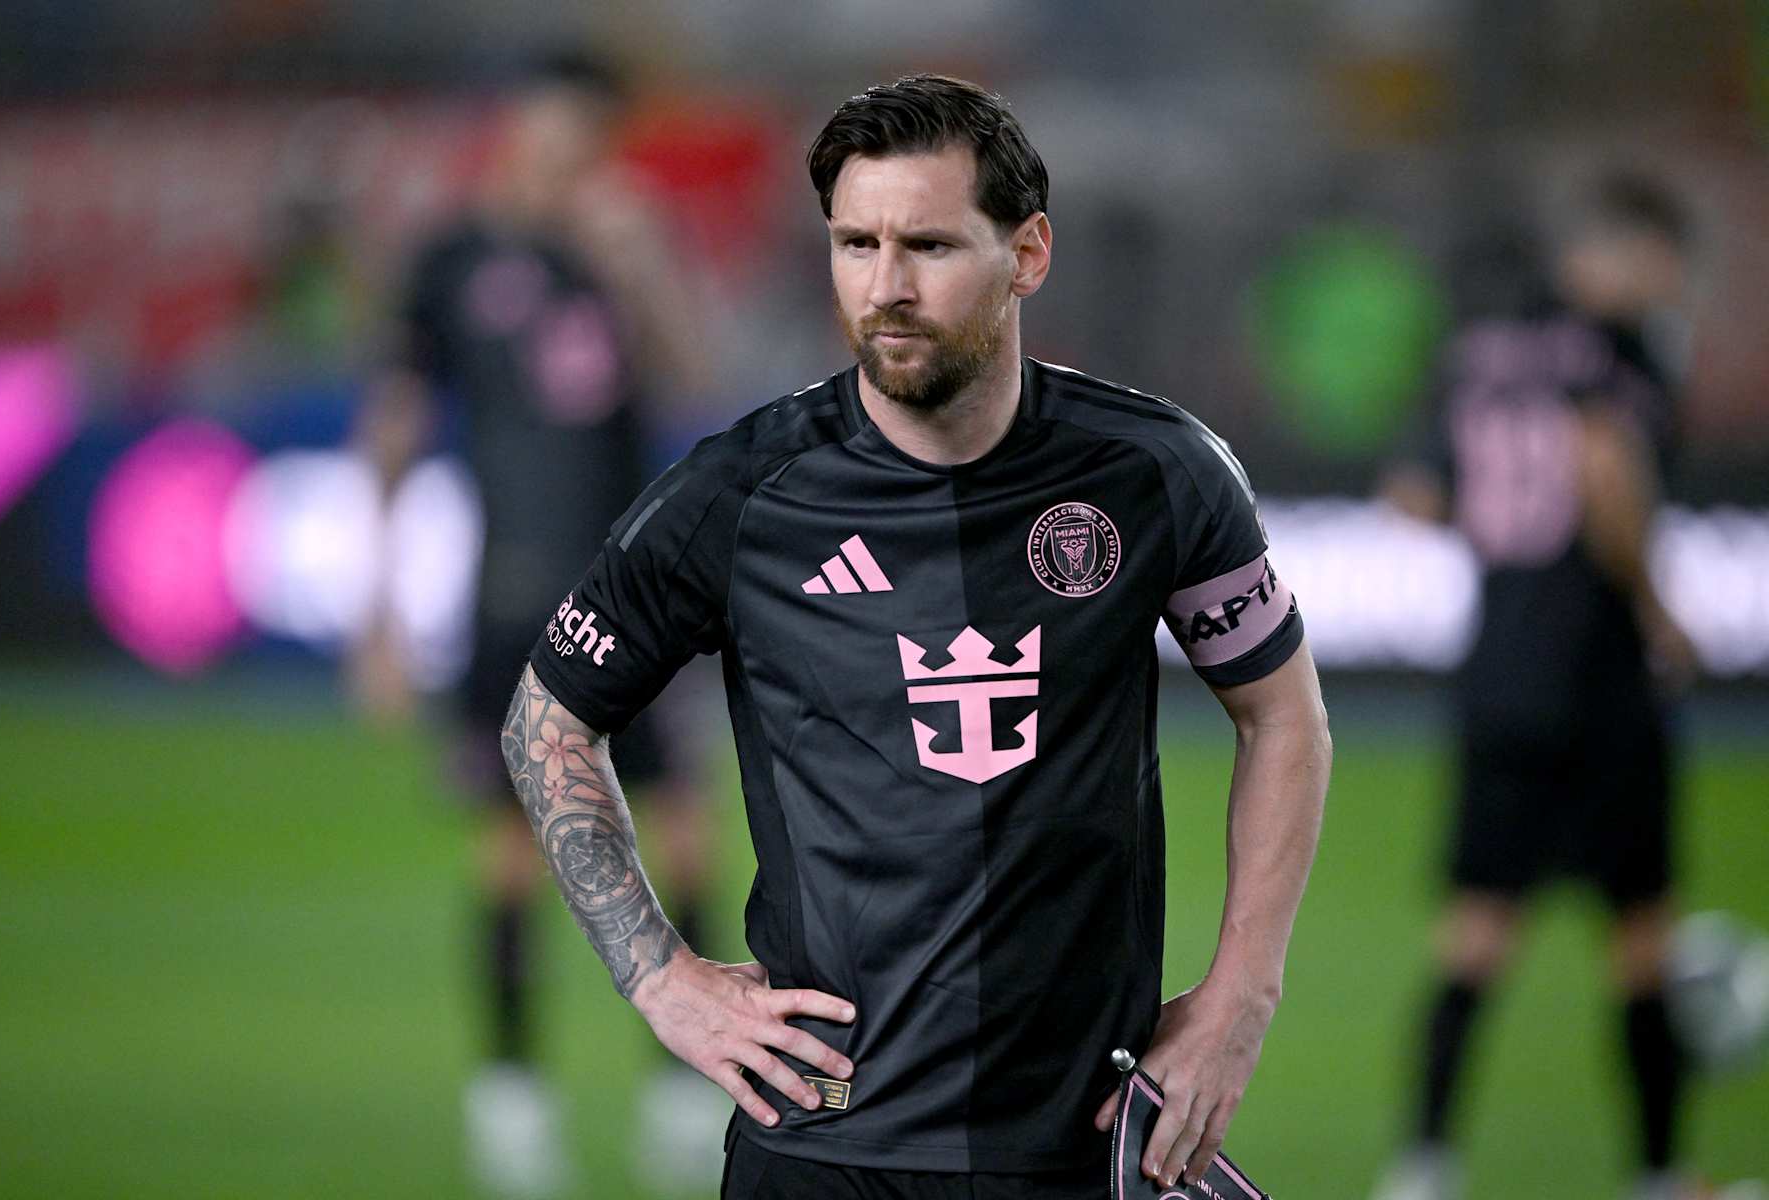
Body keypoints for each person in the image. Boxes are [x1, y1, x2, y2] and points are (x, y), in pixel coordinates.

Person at [502, 74, 1331, 1198]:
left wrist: (1241, 995)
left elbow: (1281, 713)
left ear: (1028, 253)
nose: (884, 287)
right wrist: (660, 979)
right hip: (822, 1151)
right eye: (855, 244)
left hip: (1080, 1145)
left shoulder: (1155, 473)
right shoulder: (741, 494)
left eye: (929, 246)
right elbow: (547, 718)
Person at [351, 57, 722, 1199]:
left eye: (592, 145)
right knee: (515, 852)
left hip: (638, 588)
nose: (574, 163)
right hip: (513, 593)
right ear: (518, 131)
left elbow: (695, 374)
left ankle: (683, 1089)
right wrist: (377, 605)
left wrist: (640, 263)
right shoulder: (453, 260)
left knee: (687, 836)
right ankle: (509, 1098)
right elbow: (400, 423)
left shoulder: (618, 246)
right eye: (559, 139)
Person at [1373, 172, 1700, 1200]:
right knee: (1643, 939)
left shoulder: (1476, 350)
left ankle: (1423, 1164)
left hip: (1499, 676)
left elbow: (1413, 497)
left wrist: (1508, 550)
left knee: (1476, 933)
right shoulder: (1621, 353)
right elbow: (1607, 476)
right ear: (1627, 252)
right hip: (1601, 681)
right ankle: (1657, 1174)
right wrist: (1654, 606)